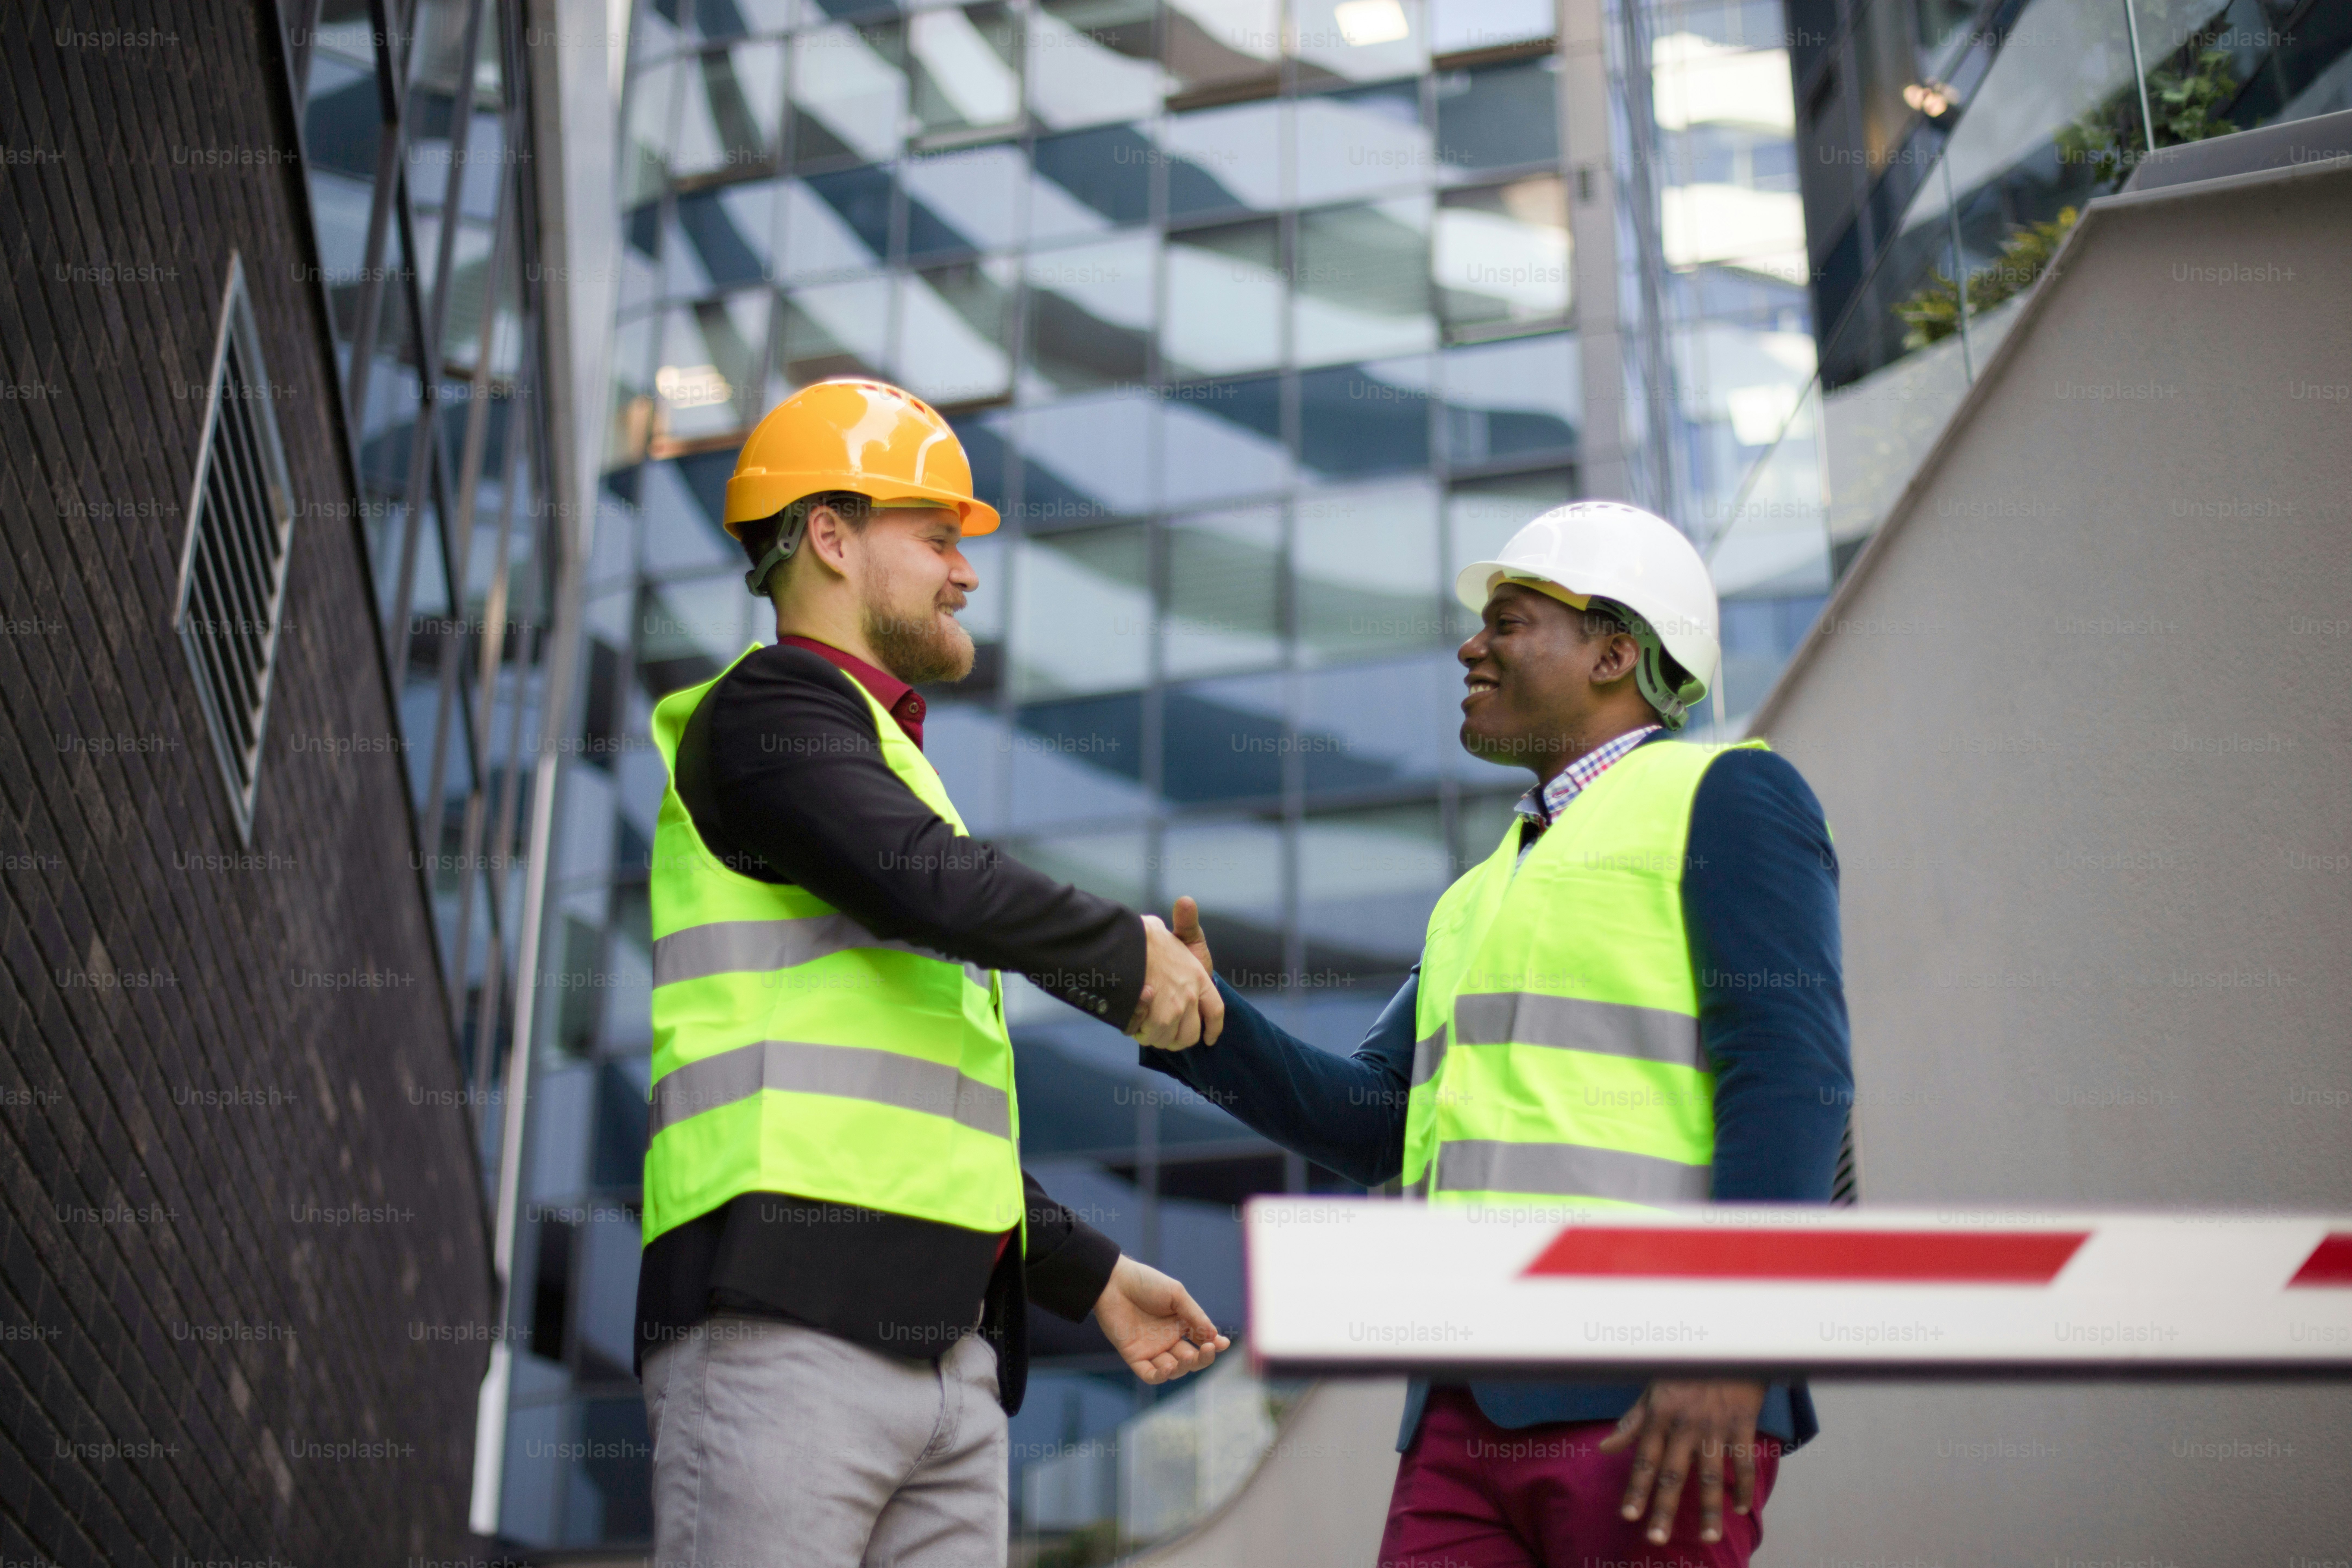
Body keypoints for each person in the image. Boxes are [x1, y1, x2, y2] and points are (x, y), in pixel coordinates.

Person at [1141, 501, 1853, 1566]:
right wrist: (1204, 1021)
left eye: (1508, 622)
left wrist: (1734, 1338)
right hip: (1461, 1410)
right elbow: (1374, 1124)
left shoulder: (1725, 793)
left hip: (1647, 1386)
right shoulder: (1476, 895)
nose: (1470, 647)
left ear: (1614, 653)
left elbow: (1792, 1077)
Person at [637, 379, 1229, 1568]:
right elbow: (931, 880)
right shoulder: (765, 716)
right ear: (831, 536)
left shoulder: (884, 768)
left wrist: (1088, 1271)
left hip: (953, 1361)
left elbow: (920, 1114)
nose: (966, 575)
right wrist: (1125, 957)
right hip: (782, 1321)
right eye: (939, 538)